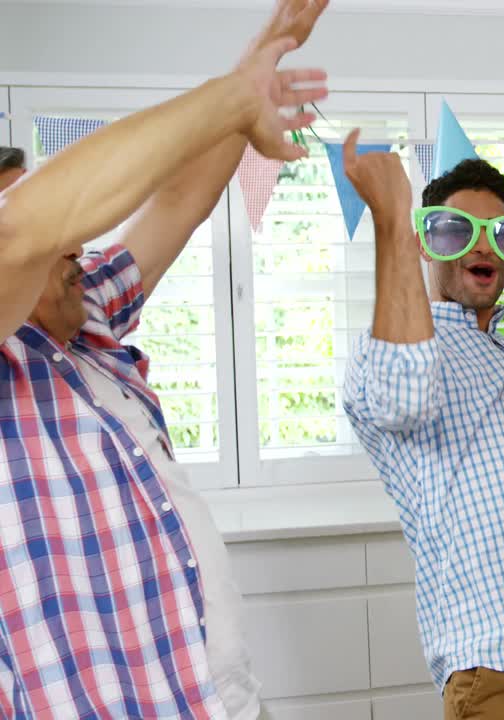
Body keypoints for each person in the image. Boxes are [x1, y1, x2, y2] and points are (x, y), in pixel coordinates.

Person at [0, 2, 329, 716]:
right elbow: (28, 227)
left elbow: (179, 200)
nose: (70, 244)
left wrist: (251, 80)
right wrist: (231, 97)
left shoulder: (87, 321)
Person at [340, 130, 504, 720]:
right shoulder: (390, 355)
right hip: (502, 672)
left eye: (500, 231)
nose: (482, 245)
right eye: (456, 230)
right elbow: (404, 397)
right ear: (427, 244)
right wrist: (393, 224)